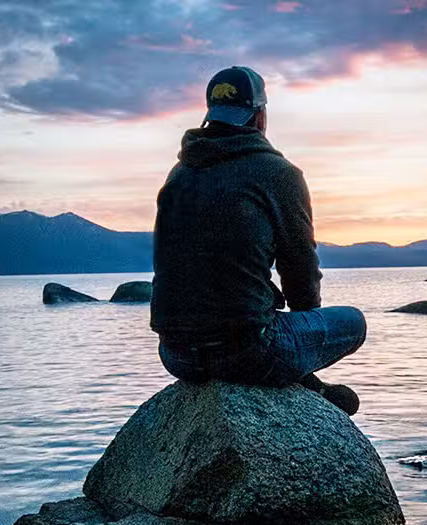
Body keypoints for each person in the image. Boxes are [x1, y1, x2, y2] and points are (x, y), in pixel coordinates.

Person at [150, 66, 366, 415]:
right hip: (248, 352)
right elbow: (300, 271)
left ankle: (303, 380)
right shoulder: (278, 174)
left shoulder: (179, 174)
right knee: (353, 322)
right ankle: (304, 381)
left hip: (175, 355)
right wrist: (302, 341)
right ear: (260, 116)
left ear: (210, 115)